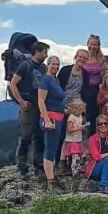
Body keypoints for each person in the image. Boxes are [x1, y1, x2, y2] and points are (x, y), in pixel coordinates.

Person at [7, 40, 50, 177]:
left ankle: (38, 164)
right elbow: (13, 84)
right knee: (26, 135)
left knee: (40, 135)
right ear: (37, 52)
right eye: (44, 52)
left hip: (41, 104)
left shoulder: (43, 68)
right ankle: (22, 165)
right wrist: (21, 101)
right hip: (29, 104)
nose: (46, 55)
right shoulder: (24, 66)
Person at [37, 55, 68, 186]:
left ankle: (53, 176)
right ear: (48, 65)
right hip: (51, 118)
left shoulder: (55, 81)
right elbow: (41, 101)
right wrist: (47, 120)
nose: (55, 67)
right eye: (53, 64)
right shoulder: (46, 80)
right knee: (50, 148)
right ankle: (50, 181)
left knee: (55, 147)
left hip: (59, 117)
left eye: (57, 64)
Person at [80, 35, 105, 127]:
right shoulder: (83, 58)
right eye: (91, 44)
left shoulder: (102, 59)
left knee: (94, 115)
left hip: (96, 90)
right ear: (87, 44)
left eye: (95, 45)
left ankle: (93, 135)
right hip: (83, 89)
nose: (93, 47)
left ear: (98, 46)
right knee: (83, 113)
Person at [61, 98, 87, 178]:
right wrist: (80, 128)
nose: (80, 111)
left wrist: (83, 129)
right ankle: (75, 172)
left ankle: (77, 170)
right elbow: (69, 129)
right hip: (72, 140)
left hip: (78, 139)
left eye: (81, 110)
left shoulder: (80, 117)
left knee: (78, 156)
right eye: (79, 110)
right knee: (74, 157)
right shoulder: (71, 117)